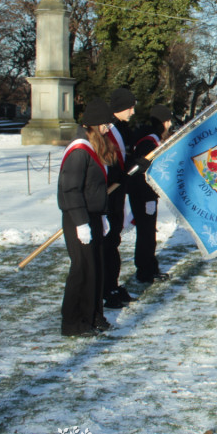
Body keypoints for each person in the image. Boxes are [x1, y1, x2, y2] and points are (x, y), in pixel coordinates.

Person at [58, 99, 117, 336]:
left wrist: (101, 215)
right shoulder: (79, 150)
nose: (108, 129)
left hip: (92, 215)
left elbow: (94, 187)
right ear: (94, 124)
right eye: (105, 124)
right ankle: (73, 322)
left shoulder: (92, 147)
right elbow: (70, 189)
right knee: (81, 270)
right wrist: (81, 223)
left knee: (95, 268)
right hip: (78, 217)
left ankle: (93, 315)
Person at [129, 104, 173, 283]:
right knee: (146, 234)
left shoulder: (152, 139)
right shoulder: (149, 142)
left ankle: (149, 267)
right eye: (168, 121)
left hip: (146, 195)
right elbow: (144, 173)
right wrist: (148, 198)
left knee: (148, 233)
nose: (170, 124)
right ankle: (145, 271)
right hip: (143, 195)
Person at [103, 87, 137, 309]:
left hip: (118, 192)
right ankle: (106, 289)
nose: (133, 112)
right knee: (107, 243)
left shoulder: (122, 128)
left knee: (114, 240)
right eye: (130, 107)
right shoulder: (107, 129)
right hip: (107, 194)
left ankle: (113, 284)